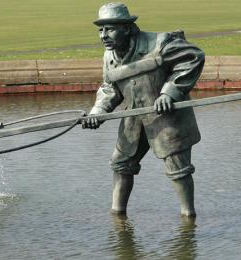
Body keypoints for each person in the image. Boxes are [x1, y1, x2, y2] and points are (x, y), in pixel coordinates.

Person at [82, 3, 205, 217]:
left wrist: (169, 92)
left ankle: (189, 217)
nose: (103, 36)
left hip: (167, 118)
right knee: (120, 165)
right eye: (100, 30)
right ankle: (117, 215)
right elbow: (109, 88)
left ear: (127, 28)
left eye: (109, 29)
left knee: (178, 169)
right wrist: (97, 111)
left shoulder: (159, 43)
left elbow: (193, 57)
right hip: (134, 120)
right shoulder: (108, 56)